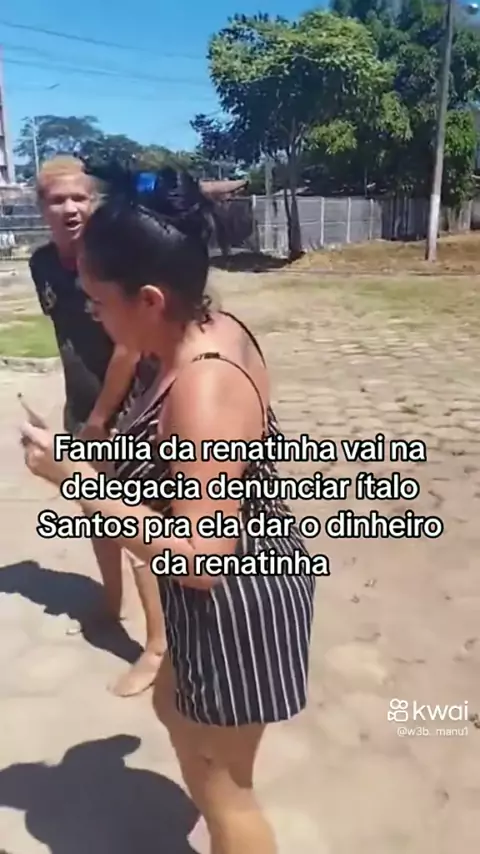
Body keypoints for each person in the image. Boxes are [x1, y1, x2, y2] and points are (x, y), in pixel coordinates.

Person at [21, 164, 316, 854]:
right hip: (231, 588)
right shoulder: (201, 327)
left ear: (150, 299)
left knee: (227, 797)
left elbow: (200, 560)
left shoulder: (203, 389)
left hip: (235, 602)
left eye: (99, 301)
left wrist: (76, 483)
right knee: (175, 710)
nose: (93, 314)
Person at [28, 156, 165, 696]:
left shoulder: (112, 260)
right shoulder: (42, 264)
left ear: (94, 202)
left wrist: (102, 420)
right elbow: (68, 336)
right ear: (42, 209)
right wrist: (79, 416)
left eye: (79, 198)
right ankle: (110, 604)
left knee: (137, 525)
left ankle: (157, 648)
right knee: (96, 515)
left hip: (128, 412)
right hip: (82, 409)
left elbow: (129, 347)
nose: (69, 209)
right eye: (57, 200)